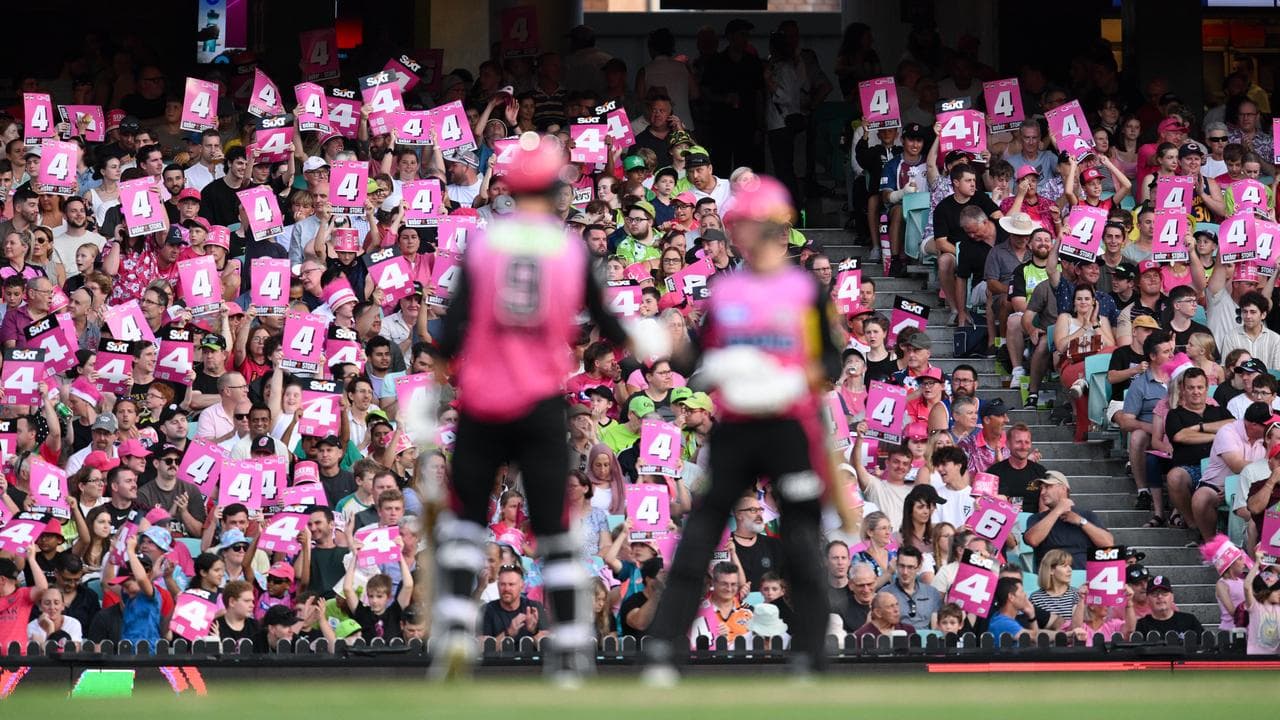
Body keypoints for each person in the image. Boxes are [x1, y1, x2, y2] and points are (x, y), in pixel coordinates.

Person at [427, 134, 629, 683]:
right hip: (541, 403)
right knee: (556, 533)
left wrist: (442, 369)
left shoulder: (487, 245)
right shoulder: (569, 249)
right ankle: (568, 652)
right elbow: (606, 326)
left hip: (484, 401)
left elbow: (454, 325)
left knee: (467, 528)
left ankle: (451, 639)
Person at [642, 176, 837, 684]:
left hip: (790, 426)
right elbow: (700, 359)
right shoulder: (726, 290)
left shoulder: (803, 290)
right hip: (736, 429)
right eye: (738, 229)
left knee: (800, 537)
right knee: (701, 533)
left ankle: (811, 654)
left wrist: (787, 376)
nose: (743, 237)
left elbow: (830, 361)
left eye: (748, 226)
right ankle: (664, 649)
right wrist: (675, 342)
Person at [1024, 471, 1114, 570]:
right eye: (1041, 488)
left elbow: (1108, 544)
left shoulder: (1087, 516)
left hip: (1083, 578)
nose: (1042, 493)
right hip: (1051, 580)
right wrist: (1058, 510)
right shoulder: (1037, 519)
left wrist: (1081, 521)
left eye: (1047, 487)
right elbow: (1032, 540)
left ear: (1063, 488)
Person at [480, 564, 549, 643]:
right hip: (499, 656)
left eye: (511, 584)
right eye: (502, 584)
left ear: (522, 586)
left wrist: (534, 631)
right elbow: (482, 648)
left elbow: (547, 647)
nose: (506, 589)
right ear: (498, 586)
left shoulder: (534, 607)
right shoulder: (486, 610)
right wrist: (508, 633)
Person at [883, 545, 941, 630]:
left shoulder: (932, 593)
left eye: (910, 567)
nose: (905, 572)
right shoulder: (885, 593)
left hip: (926, 640)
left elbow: (937, 627)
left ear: (919, 567)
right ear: (896, 565)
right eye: (902, 566)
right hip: (897, 640)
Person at [1135, 575, 1205, 637]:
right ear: (1147, 599)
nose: (1159, 597)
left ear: (1172, 597)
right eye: (1154, 594)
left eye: (1164, 593)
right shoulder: (1142, 626)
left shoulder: (1189, 621)